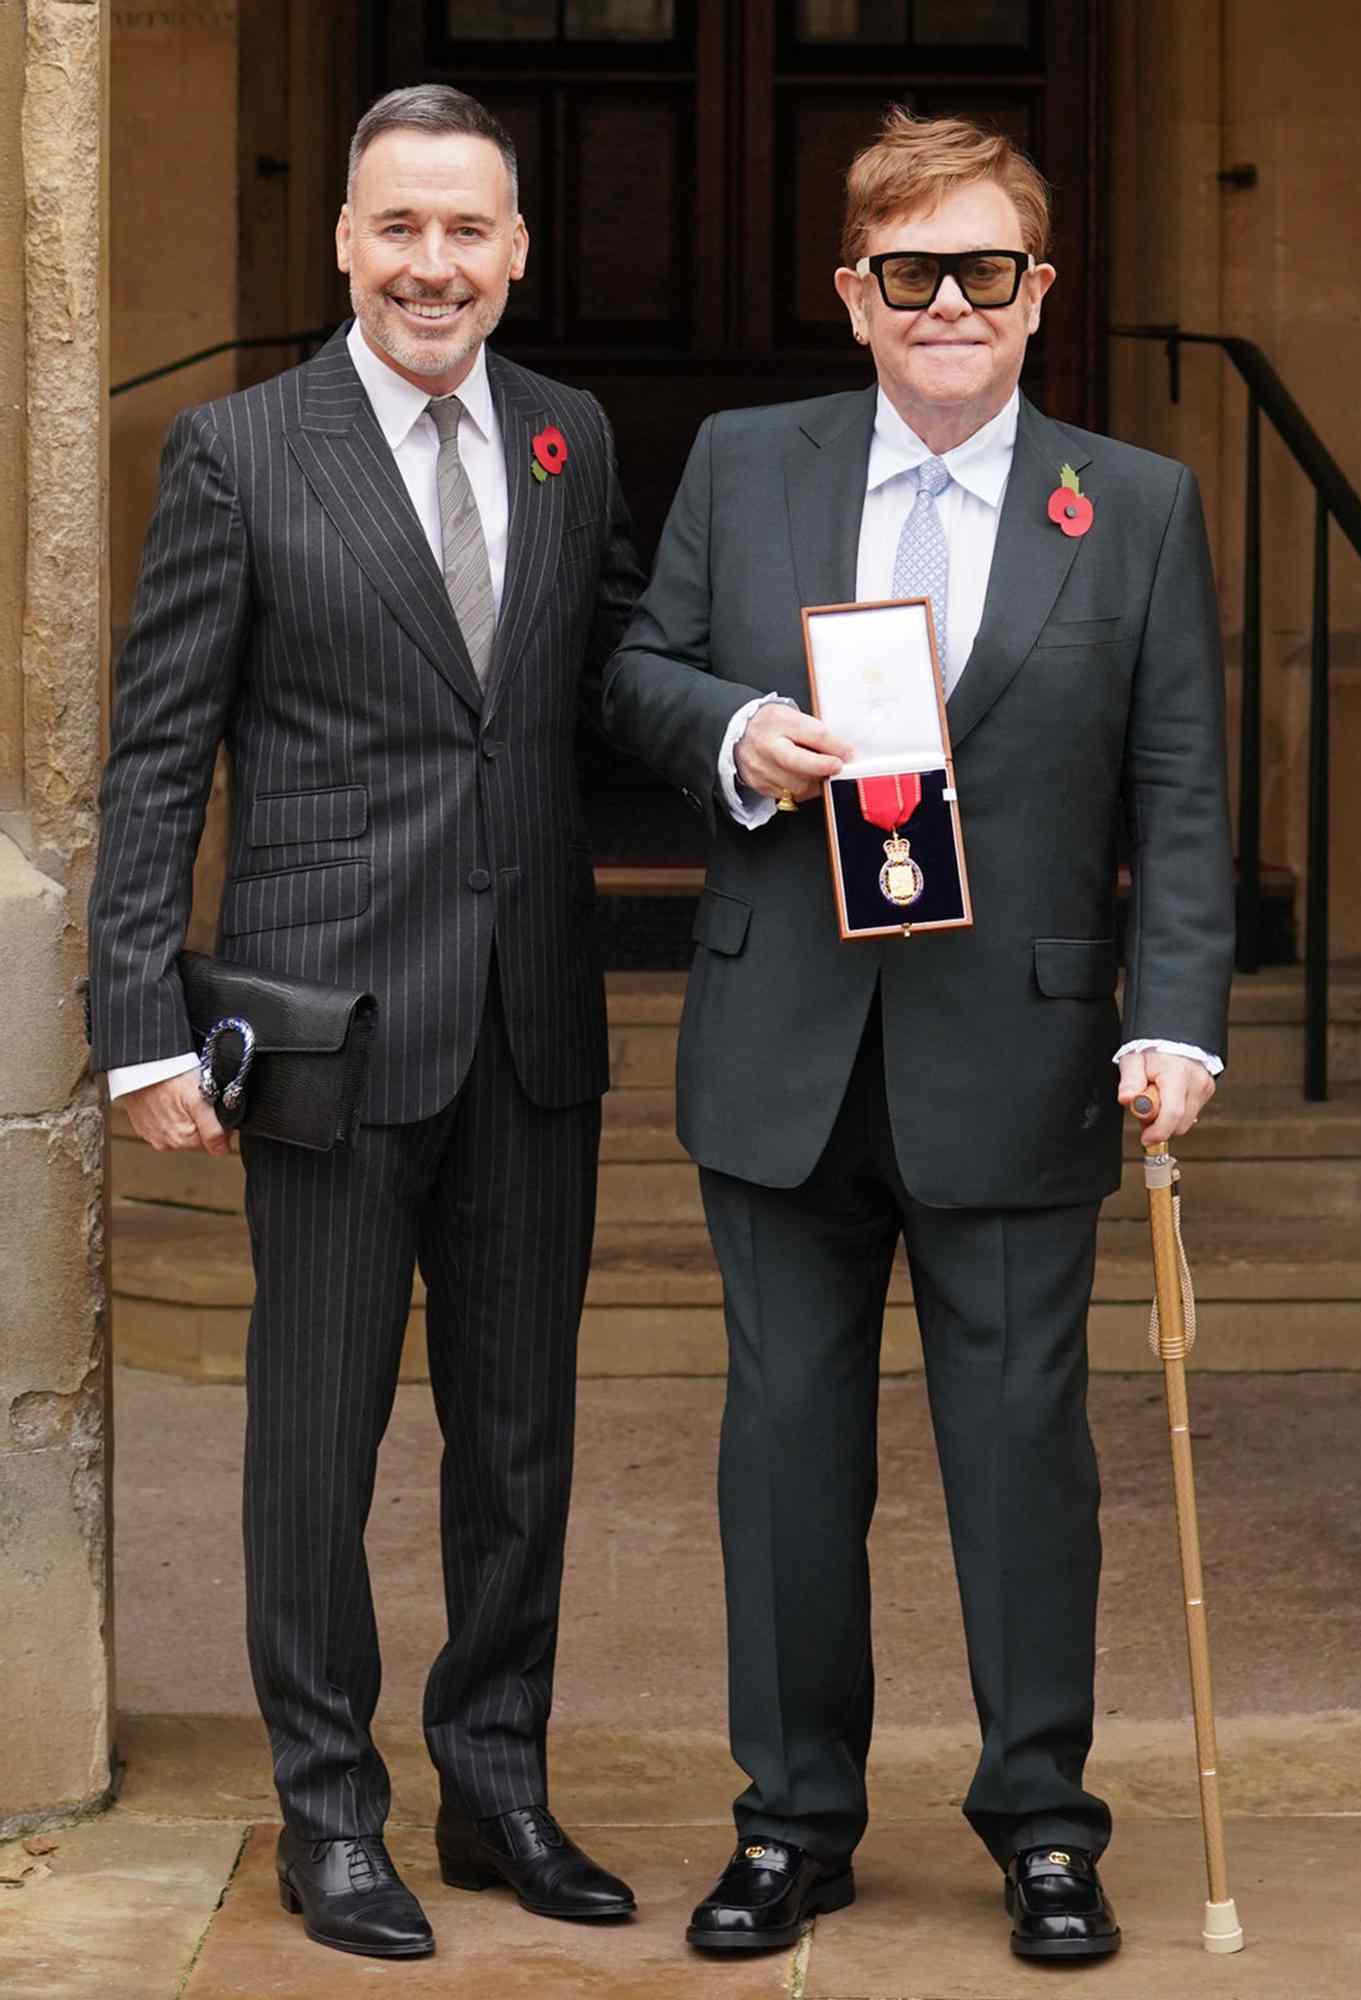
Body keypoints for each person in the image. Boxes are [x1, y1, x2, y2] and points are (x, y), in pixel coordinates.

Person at [602, 110, 1233, 1962]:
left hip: (1020, 1060)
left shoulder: (1134, 505)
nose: (945, 302)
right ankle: (792, 1820)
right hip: (784, 1048)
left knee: (1025, 1459)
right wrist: (736, 733)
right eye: (907, 273)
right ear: (853, 299)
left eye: (983, 271)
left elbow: (1185, 790)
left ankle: (1043, 1820)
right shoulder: (745, 460)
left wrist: (1175, 1018)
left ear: (1040, 293)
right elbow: (636, 665)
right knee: (787, 1458)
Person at [89, 86, 644, 1961]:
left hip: (533, 1029)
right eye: (398, 228)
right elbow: (156, 756)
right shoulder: (241, 452)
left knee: (521, 1445)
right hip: (321, 1037)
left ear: (514, 252)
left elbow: (619, 677)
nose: (434, 266)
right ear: (343, 240)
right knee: (312, 1455)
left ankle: (493, 1784)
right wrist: (139, 1025)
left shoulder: (570, 440)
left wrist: (755, 744)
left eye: (468, 232)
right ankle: (329, 1814)